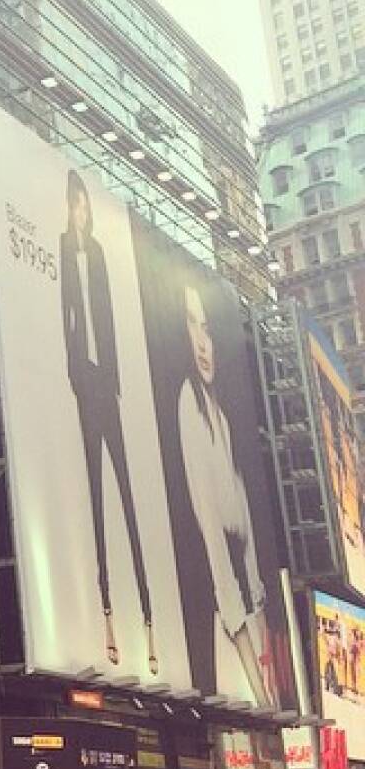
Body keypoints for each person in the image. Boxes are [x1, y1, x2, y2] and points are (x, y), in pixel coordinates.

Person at [59, 170, 156, 671]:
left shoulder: (96, 251)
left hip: (106, 379)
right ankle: (107, 611)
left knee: (126, 493)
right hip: (83, 378)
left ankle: (147, 614)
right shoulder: (62, 246)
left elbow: (108, 317)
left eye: (84, 206)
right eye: (74, 204)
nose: (80, 212)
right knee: (96, 493)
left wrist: (113, 375)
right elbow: (66, 313)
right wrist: (74, 370)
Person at [175, 283, 275, 707]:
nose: (203, 341)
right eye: (191, 325)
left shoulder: (221, 416)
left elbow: (242, 521)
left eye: (207, 327)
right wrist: (264, 697)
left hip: (247, 605)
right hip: (226, 624)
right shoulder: (188, 405)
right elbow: (211, 531)